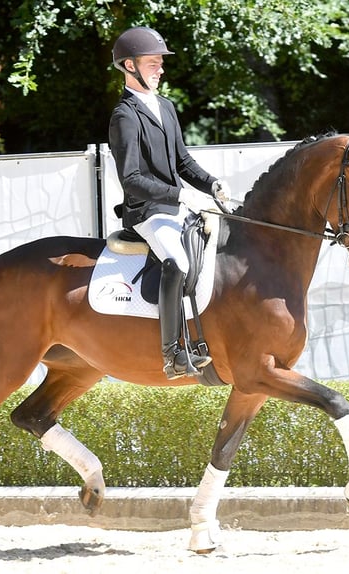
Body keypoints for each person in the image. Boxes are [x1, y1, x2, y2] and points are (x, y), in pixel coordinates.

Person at [108, 26, 229, 380]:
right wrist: (179, 194)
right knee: (176, 262)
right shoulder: (124, 116)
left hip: (177, 206)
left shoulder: (165, 106)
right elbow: (131, 179)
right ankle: (173, 353)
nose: (160, 69)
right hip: (145, 212)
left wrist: (211, 184)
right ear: (129, 66)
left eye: (161, 63)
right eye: (152, 63)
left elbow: (182, 162)